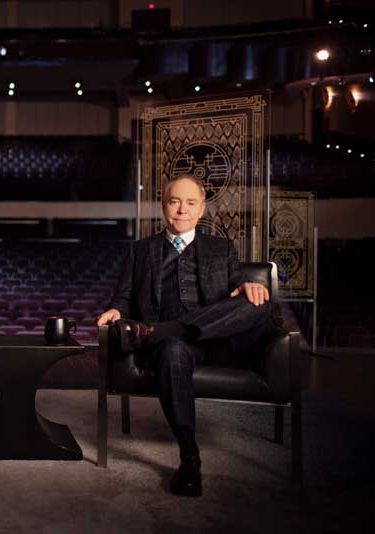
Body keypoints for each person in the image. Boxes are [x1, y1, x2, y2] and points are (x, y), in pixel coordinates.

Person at [97, 175, 280, 497]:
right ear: (164, 207)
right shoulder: (141, 251)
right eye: (174, 201)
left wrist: (251, 287)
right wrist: (114, 310)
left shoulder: (221, 248)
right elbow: (123, 297)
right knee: (171, 350)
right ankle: (190, 457)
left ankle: (159, 332)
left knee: (261, 305)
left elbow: (238, 283)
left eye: (190, 203)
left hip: (215, 343)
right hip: (171, 347)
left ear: (201, 209)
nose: (182, 210)